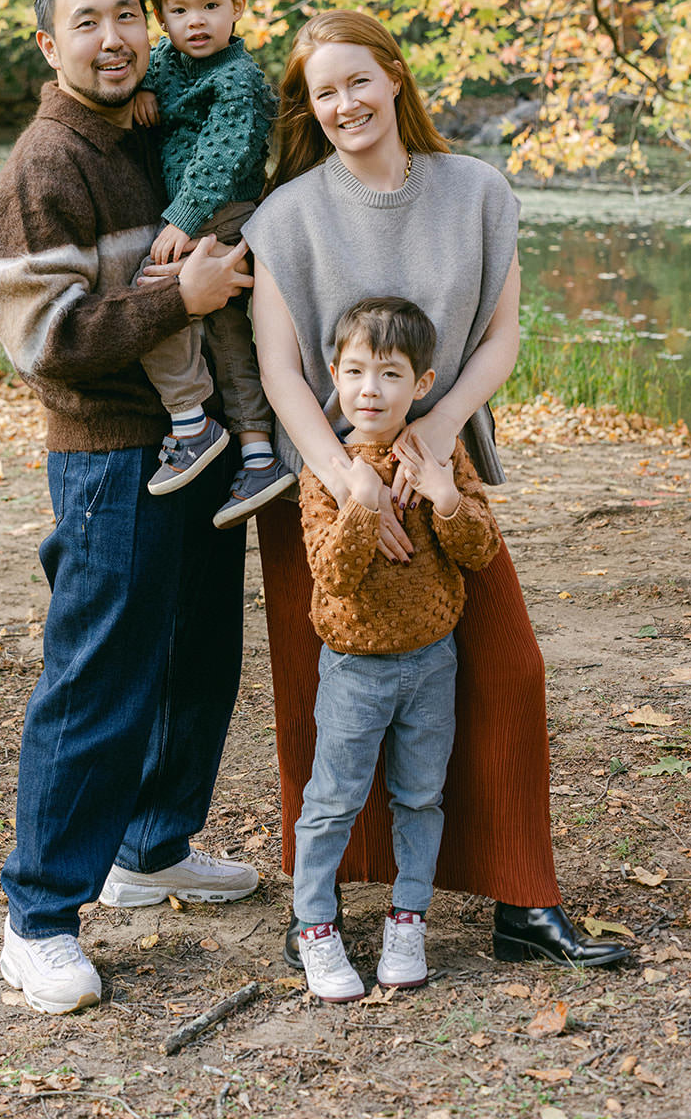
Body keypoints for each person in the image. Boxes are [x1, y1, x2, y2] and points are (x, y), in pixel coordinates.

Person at [243, 9, 631, 971]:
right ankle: (320, 909)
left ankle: (521, 904)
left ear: (394, 76)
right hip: (327, 489)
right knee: (320, 699)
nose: (343, 104)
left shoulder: (476, 192)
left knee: (507, 670)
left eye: (357, 81)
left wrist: (442, 423)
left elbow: (501, 335)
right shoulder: (286, 215)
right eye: (322, 92)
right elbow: (279, 369)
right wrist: (347, 477)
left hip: (441, 471)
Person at [0, 0, 259, 1016]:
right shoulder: (43, 167)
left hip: (201, 443)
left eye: (127, 14)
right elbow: (45, 338)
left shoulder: (152, 123)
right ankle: (38, 918)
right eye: (86, 21)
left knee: (197, 660)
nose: (114, 36)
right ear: (49, 45)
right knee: (96, 681)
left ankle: (151, 847)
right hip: (110, 458)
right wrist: (180, 298)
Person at [293, 297, 501, 1002]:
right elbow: (333, 574)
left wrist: (445, 498)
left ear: (422, 383)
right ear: (333, 376)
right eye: (355, 372)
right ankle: (314, 926)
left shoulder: (439, 455)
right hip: (354, 668)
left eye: (389, 374)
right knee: (333, 800)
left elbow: (479, 551)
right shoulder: (326, 471)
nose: (370, 390)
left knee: (419, 796)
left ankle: (407, 920)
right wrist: (361, 497)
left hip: (432, 662)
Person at [131, 0, 295, 528]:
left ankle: (190, 421)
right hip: (199, 213)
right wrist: (142, 91)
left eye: (210, 6)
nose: (195, 22)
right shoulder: (164, 62)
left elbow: (221, 158)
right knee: (226, 334)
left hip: (219, 210)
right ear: (162, 18)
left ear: (238, 7)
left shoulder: (237, 78)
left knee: (152, 291)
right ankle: (257, 455)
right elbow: (142, 74)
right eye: (179, 10)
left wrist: (181, 218)